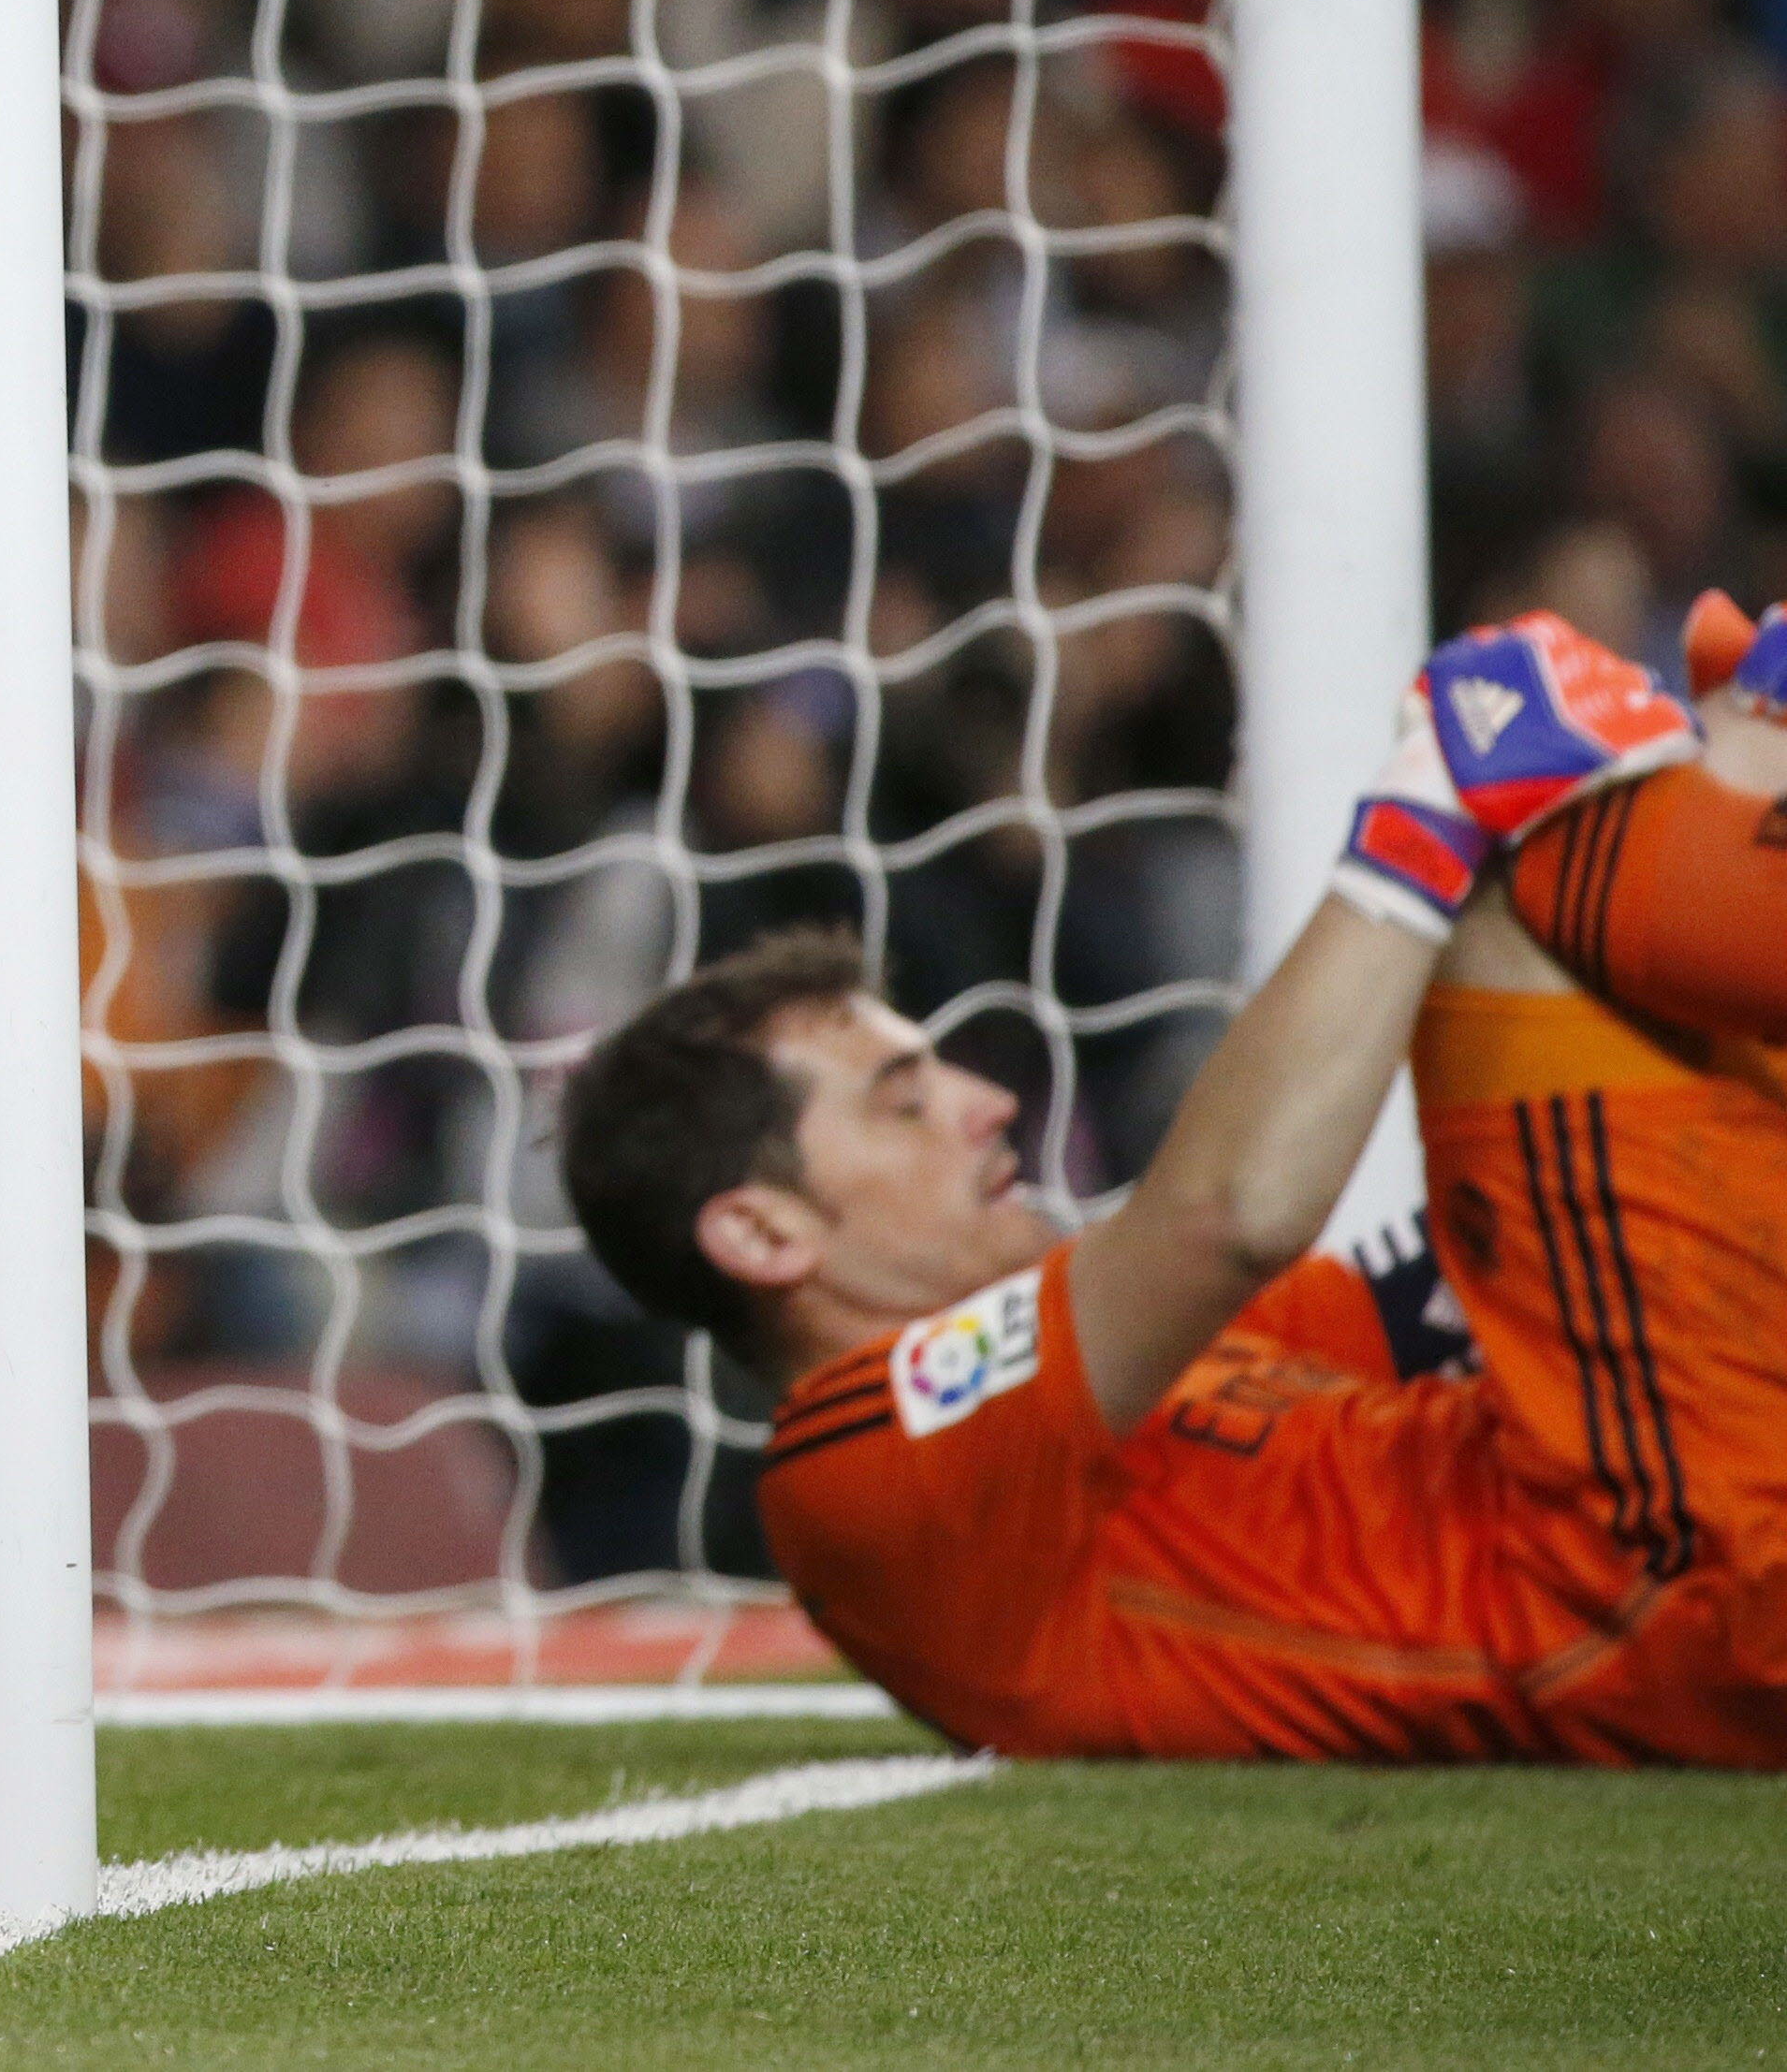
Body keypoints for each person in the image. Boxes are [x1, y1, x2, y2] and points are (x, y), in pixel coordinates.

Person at [554, 599, 1787, 1763]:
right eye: (904, 1100)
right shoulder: (857, 1477)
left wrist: (1698, 789)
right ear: (763, 1231)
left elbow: (1469, 1287)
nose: (984, 1103)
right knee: (1527, 872)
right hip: (1657, 1603)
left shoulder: (1148, 1348)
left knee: (1668, 818)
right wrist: (1430, 814)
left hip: (1683, 1522)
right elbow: (1229, 1214)